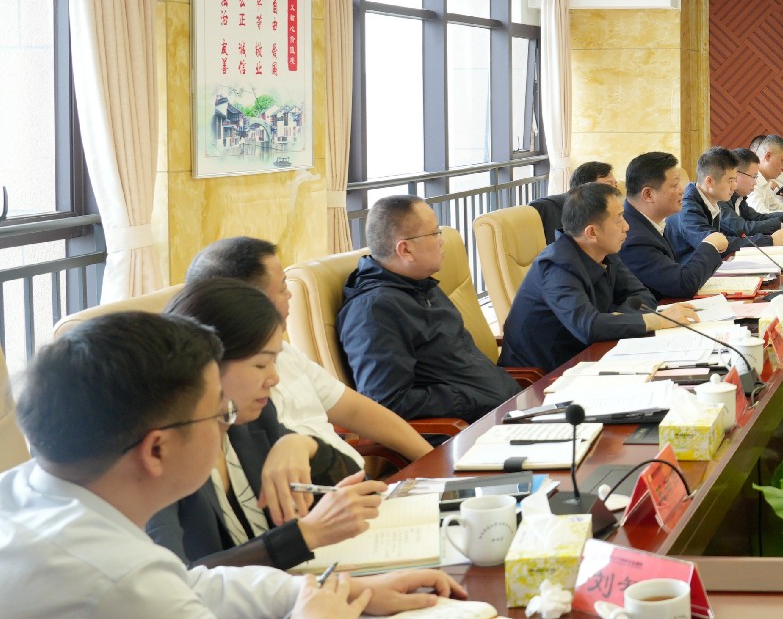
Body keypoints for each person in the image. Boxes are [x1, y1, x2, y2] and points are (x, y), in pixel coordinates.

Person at [0, 311, 461, 619]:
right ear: (157, 448)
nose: (229, 428)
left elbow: (186, 586)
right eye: (221, 416)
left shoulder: (29, 492)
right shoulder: (106, 578)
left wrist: (326, 593)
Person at [147, 280, 384, 570]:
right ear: (206, 366)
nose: (274, 379)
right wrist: (303, 536)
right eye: (261, 365)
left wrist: (302, 444)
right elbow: (173, 578)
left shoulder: (251, 418)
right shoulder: (157, 456)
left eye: (275, 363)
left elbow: (360, 491)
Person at [186, 237, 430, 466]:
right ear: (249, 304)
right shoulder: (226, 398)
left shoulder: (284, 353)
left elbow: (357, 411)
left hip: (357, 486)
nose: (290, 294)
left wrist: (433, 463)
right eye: (282, 288)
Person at [337, 196, 518, 423]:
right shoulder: (374, 311)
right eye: (435, 233)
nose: (441, 241)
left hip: (503, 411)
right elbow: (387, 402)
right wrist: (468, 398)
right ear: (405, 250)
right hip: (466, 431)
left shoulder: (420, 285)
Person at [503, 183, 701, 373]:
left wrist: (612, 321)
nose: (627, 227)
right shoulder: (557, 267)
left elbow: (642, 296)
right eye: (619, 219)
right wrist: (656, 320)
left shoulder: (604, 251)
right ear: (592, 232)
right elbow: (588, 327)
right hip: (543, 376)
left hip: (592, 356)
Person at [618, 151, 732, 302]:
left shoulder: (649, 222)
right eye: (675, 185)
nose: (682, 190)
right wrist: (710, 245)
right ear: (648, 195)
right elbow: (682, 285)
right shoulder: (633, 236)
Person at [674, 146, 783, 259]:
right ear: (709, 181)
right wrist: (768, 240)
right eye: (731, 181)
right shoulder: (688, 208)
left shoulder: (711, 200)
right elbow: (714, 245)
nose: (734, 186)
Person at [529, 161, 619, 243]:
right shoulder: (548, 208)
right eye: (608, 185)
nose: (615, 191)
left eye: (615, 185)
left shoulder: (603, 211)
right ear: (585, 188)